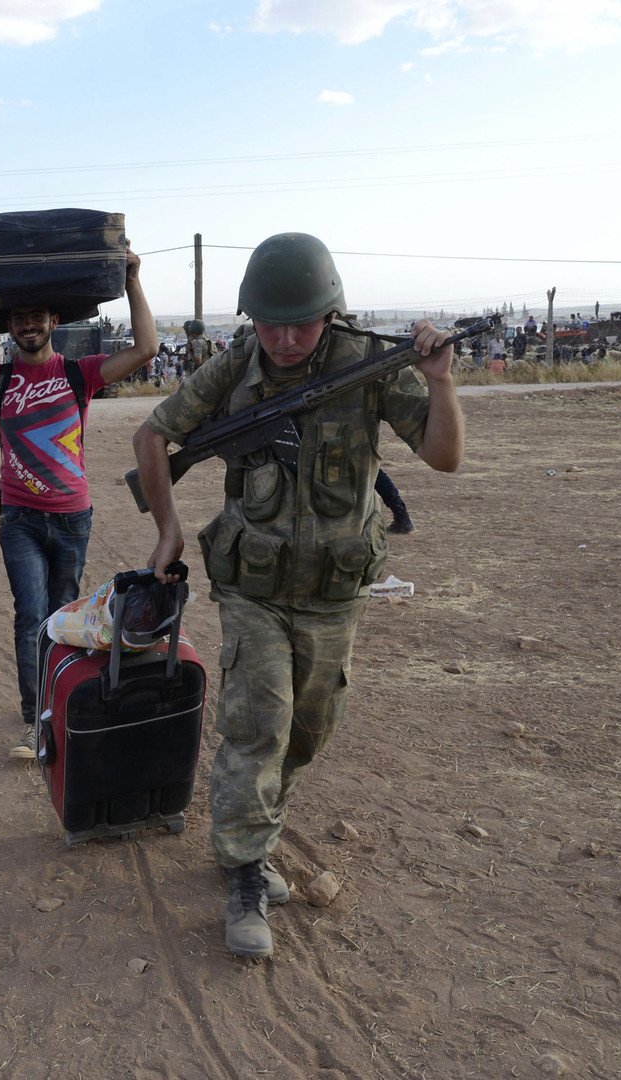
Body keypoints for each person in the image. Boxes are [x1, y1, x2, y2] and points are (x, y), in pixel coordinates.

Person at [131, 232, 462, 959]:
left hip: (336, 590)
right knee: (260, 719)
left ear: (332, 312)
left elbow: (443, 456)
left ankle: (256, 839)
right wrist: (168, 532)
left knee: (308, 730)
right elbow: (153, 436)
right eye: (268, 323)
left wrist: (439, 381)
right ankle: (245, 870)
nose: (282, 339)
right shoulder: (234, 369)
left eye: (300, 323)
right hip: (254, 586)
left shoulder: (369, 368)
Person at [0, 245, 158, 759]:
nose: (28, 325)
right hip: (20, 519)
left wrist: (134, 281)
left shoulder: (81, 373)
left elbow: (145, 350)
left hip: (73, 518)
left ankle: (58, 703)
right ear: (9, 329)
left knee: (61, 618)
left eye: (36, 316)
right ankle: (37, 721)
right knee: (31, 617)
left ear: (53, 320)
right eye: (19, 319)